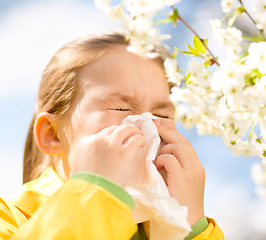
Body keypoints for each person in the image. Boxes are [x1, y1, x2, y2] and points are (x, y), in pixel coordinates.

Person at [0, 33, 224, 240]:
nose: (146, 126)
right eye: (120, 109)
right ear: (52, 135)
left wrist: (189, 226)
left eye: (161, 114)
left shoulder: (157, 230)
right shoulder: (8, 219)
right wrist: (95, 191)